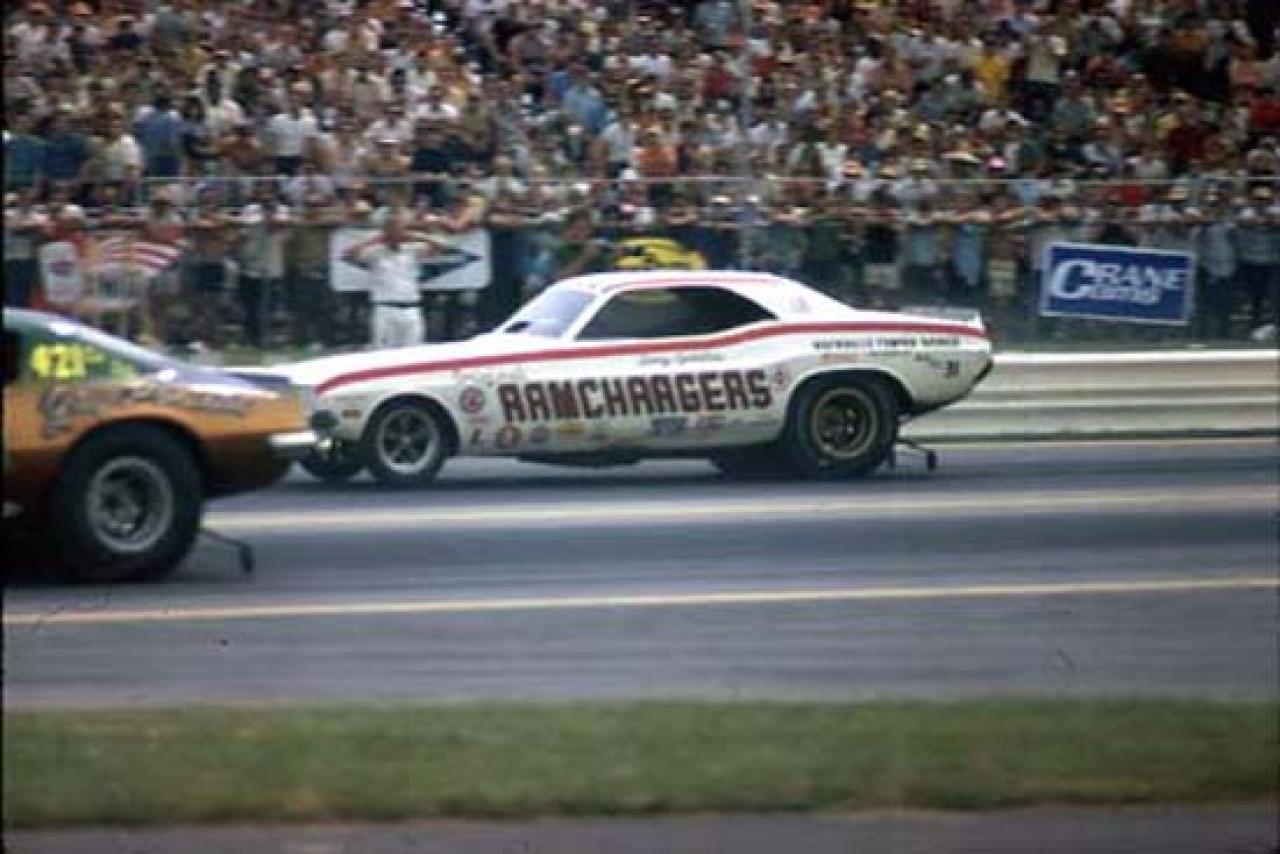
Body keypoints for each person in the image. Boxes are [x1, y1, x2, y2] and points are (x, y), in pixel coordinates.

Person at [342, 212, 449, 349]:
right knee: (383, 352)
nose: (396, 233)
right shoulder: (375, 252)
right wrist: (374, 240)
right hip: (385, 309)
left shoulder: (412, 249)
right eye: (392, 229)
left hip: (412, 308)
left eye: (399, 229)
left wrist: (417, 235)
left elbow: (443, 245)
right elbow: (348, 254)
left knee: (413, 352)